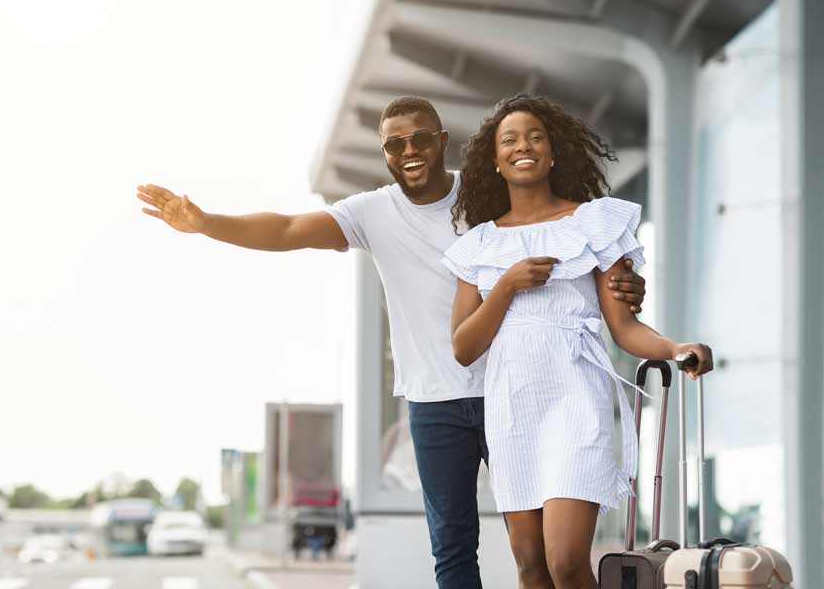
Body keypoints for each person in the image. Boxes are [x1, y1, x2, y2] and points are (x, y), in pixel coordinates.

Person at [137, 96, 648, 588]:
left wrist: (626, 283)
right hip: (433, 402)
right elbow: (289, 227)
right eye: (394, 144)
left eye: (420, 139)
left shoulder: (484, 196)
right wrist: (206, 225)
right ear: (384, 153)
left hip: (512, 393)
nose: (409, 152)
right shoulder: (372, 212)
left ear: (443, 142)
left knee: (536, 553)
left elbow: (557, 236)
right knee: (452, 546)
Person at [442, 94, 713, 589]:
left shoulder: (594, 223)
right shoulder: (478, 245)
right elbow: (463, 347)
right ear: (495, 161)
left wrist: (676, 348)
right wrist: (506, 285)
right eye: (510, 140)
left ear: (554, 153)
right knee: (531, 567)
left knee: (566, 562)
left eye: (535, 136)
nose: (523, 146)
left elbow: (625, 328)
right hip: (513, 407)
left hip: (574, 400)